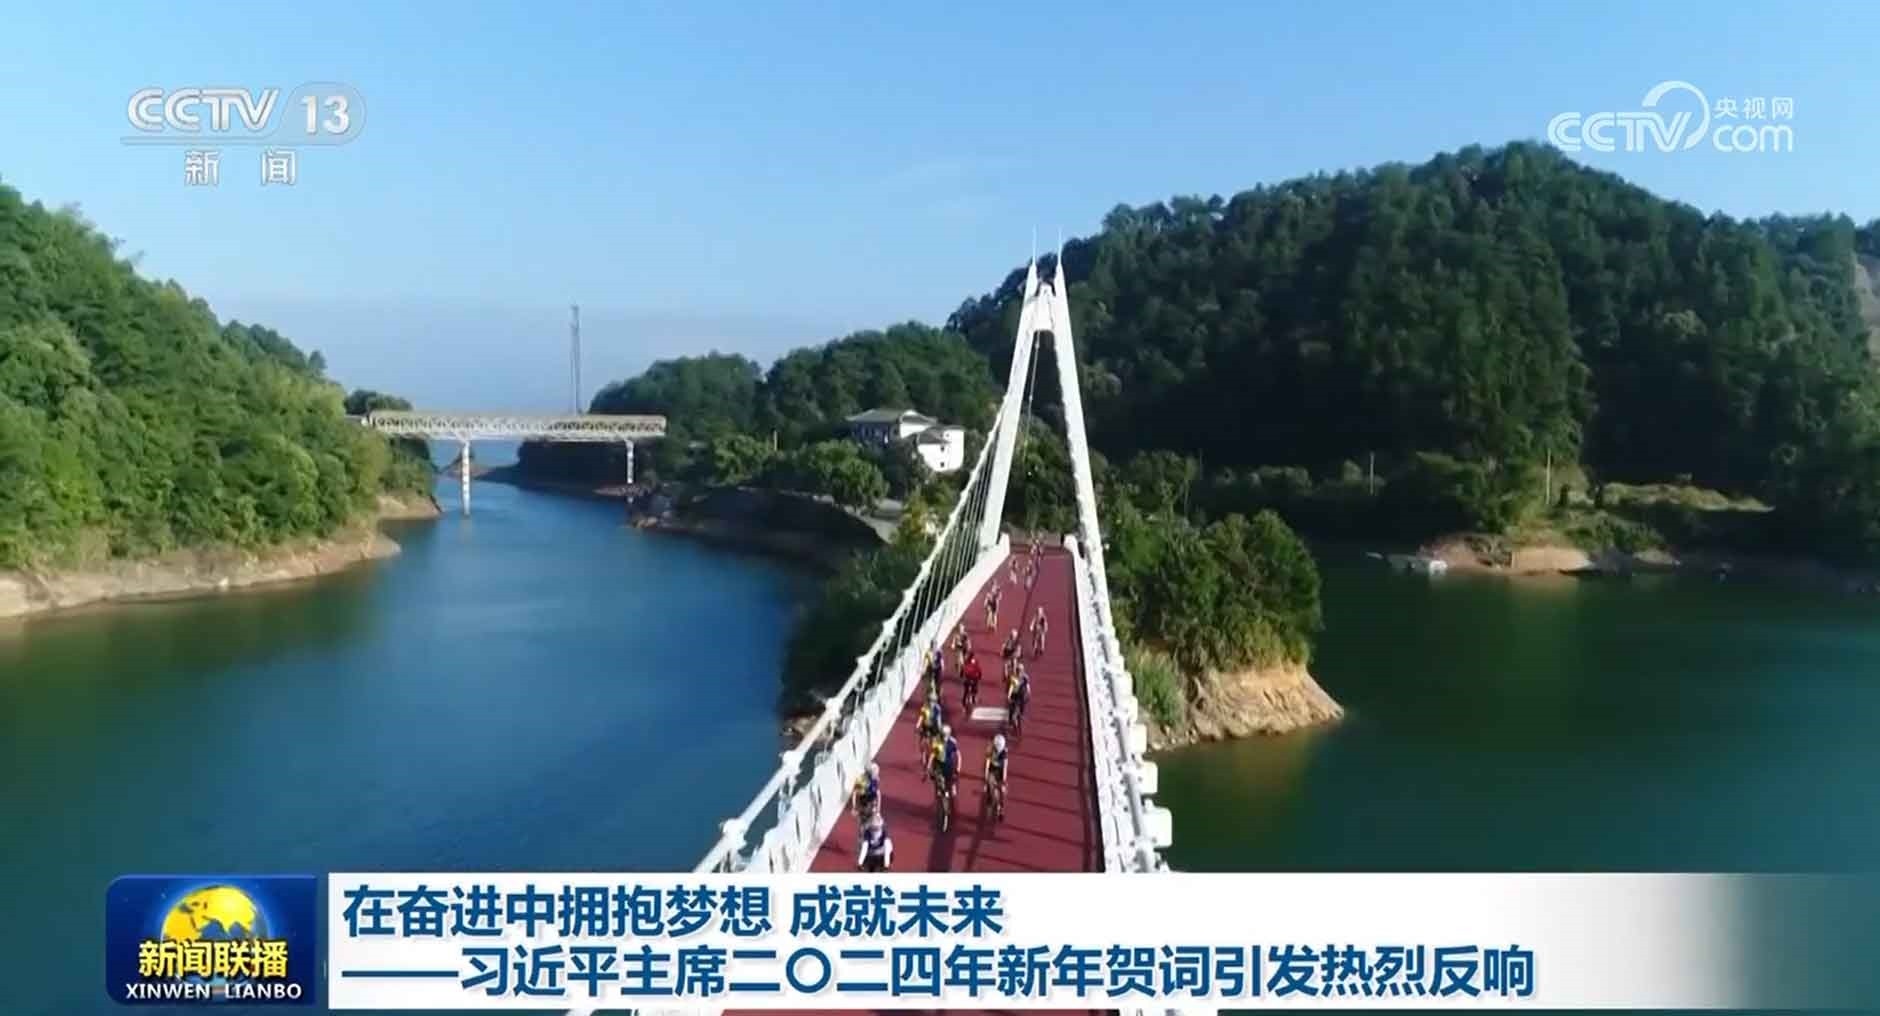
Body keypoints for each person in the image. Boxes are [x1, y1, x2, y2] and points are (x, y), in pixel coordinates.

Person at [984, 733, 1009, 818]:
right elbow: (987, 764)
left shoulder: (1004, 752)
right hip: (992, 771)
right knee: (990, 787)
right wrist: (986, 777)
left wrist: (1004, 781)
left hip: (1000, 771)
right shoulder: (990, 749)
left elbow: (1005, 767)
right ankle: (990, 800)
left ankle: (1001, 807)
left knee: (1002, 791)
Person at [1008, 665, 1032, 733]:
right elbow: (1011, 687)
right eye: (1018, 670)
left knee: (1020, 711)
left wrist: (1028, 693)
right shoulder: (1014, 677)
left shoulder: (1025, 677)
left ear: (1023, 670)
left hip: (1021, 697)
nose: (1019, 671)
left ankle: (1018, 718)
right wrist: (1009, 696)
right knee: (1012, 711)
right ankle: (1013, 723)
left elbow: (1027, 686)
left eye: (1020, 670)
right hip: (1015, 696)